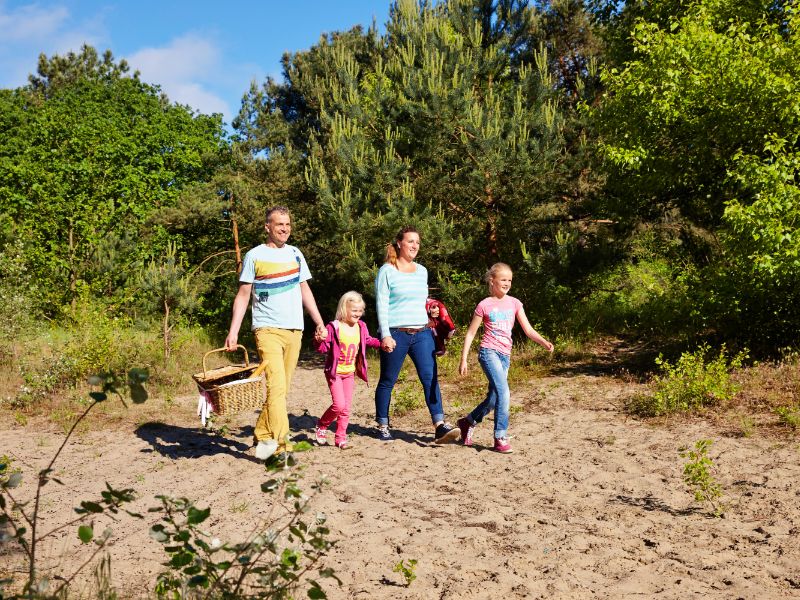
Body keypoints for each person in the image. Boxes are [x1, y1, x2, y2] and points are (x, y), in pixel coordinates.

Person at [224, 206, 327, 460]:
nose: (285, 229)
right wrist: (233, 332)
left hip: (295, 330)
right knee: (277, 388)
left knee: (280, 391)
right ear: (267, 227)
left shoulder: (295, 254)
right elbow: (244, 295)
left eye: (288, 224)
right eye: (279, 224)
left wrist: (319, 322)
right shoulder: (254, 256)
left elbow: (305, 290)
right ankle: (281, 447)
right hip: (267, 329)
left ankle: (261, 432)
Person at [374, 226, 460, 443]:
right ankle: (383, 424)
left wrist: (431, 310)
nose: (414, 246)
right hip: (396, 333)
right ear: (399, 243)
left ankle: (439, 425)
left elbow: (422, 301)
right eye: (410, 241)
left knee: (430, 379)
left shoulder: (422, 271)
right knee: (388, 380)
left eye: (417, 243)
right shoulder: (387, 270)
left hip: (422, 333)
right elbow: (381, 305)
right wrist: (385, 334)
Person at [457, 262, 554, 454]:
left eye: (509, 280)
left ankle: (467, 422)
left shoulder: (515, 303)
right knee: (505, 393)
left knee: (494, 399)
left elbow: (528, 329)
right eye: (503, 279)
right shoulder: (484, 305)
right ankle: (500, 437)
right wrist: (464, 359)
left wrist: (543, 342)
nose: (507, 283)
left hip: (505, 355)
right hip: (488, 352)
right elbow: (470, 334)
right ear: (492, 281)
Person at [314, 291, 381, 449]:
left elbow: (368, 340)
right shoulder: (334, 327)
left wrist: (382, 344)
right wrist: (318, 340)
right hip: (335, 372)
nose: (358, 314)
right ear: (344, 309)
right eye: (354, 310)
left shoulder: (361, 326)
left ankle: (341, 439)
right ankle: (322, 425)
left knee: (346, 408)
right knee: (338, 405)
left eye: (360, 310)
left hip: (349, 373)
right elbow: (323, 348)